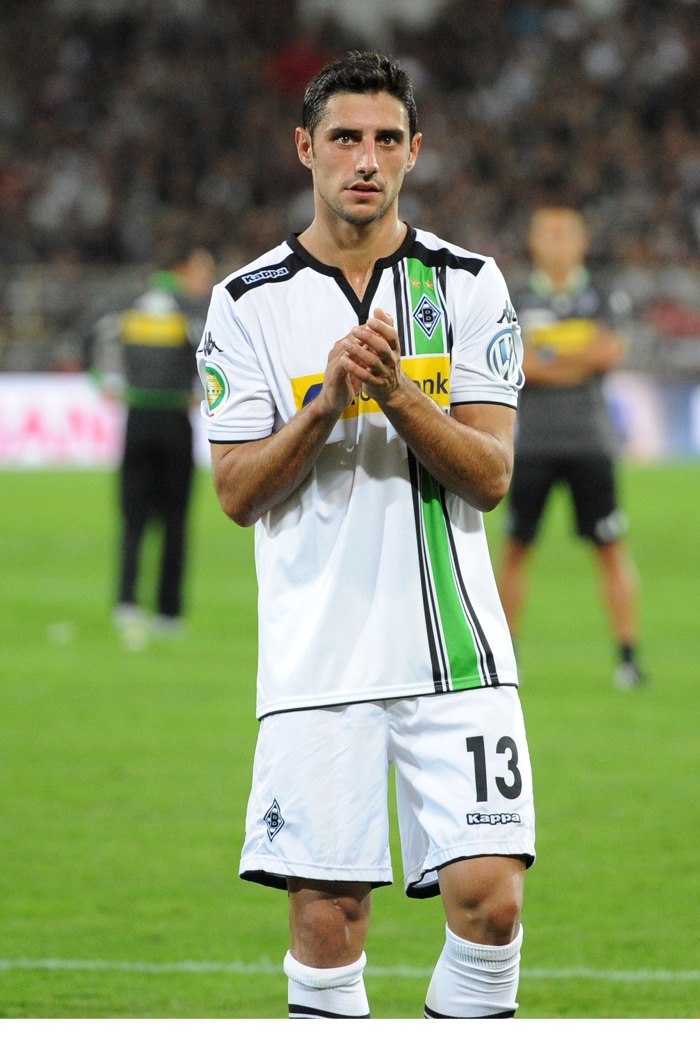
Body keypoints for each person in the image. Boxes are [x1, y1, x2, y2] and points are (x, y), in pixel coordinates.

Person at [197, 51, 535, 1019]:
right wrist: (322, 408)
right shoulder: (247, 305)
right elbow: (233, 489)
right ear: (304, 147)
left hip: (456, 652)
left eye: (387, 139)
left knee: (492, 904)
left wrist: (393, 394)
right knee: (327, 924)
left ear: (415, 152)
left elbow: (492, 473)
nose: (366, 160)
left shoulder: (466, 284)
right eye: (344, 137)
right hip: (318, 662)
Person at [497, 205, 644, 689]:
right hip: (532, 444)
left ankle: (627, 657)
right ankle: (504, 657)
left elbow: (609, 352)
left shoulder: (601, 293)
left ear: (581, 242)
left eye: (566, 234)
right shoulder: (513, 297)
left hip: (590, 443)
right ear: (534, 242)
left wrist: (549, 354)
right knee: (516, 550)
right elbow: (520, 365)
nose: (558, 242)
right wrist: (576, 357)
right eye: (549, 233)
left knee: (609, 548)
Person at [89, 226, 216, 645]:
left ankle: (126, 602)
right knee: (176, 520)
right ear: (183, 268)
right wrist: (204, 394)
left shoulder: (130, 301)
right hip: (175, 422)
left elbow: (88, 334)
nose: (206, 278)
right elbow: (216, 355)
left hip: (137, 415)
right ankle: (169, 612)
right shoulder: (192, 308)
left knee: (133, 517)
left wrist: (102, 381)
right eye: (202, 269)